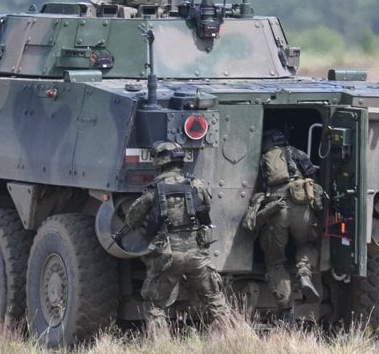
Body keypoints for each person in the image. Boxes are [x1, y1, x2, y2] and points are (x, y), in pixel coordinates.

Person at [123, 141, 231, 332]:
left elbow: (132, 219)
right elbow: (206, 207)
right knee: (216, 302)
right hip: (197, 255)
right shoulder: (195, 184)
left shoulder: (153, 190)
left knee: (155, 306)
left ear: (160, 163)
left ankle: (161, 347)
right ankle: (232, 338)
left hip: (168, 257)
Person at [254, 128, 323, 322]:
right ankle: (303, 272)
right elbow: (314, 176)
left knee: (275, 261)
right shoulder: (297, 153)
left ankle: (286, 309)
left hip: (278, 210)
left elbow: (260, 187)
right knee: (307, 244)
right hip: (302, 207)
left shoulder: (264, 159)